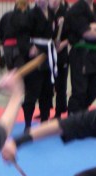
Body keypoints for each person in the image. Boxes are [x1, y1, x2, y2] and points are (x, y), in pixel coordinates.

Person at [64, 0, 96, 114]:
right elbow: (87, 34)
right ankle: (73, 118)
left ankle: (82, 114)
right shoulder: (76, 10)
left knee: (92, 92)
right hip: (81, 54)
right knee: (79, 92)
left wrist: (95, 26)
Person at [21, 0, 56, 129]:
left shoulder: (52, 13)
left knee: (47, 90)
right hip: (34, 55)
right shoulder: (30, 14)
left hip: (48, 53)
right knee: (32, 91)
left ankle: (45, 120)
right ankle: (27, 124)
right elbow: (22, 35)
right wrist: (29, 48)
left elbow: (53, 33)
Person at [49, 0, 69, 119]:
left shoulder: (66, 12)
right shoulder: (45, 12)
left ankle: (59, 111)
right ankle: (45, 109)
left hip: (61, 53)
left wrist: (63, 44)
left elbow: (73, 34)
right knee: (47, 84)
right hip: (47, 53)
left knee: (61, 85)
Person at [0, 0, 29, 71]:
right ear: (25, 6)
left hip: (7, 47)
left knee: (10, 71)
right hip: (19, 48)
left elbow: (0, 31)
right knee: (19, 72)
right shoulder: (26, 17)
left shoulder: (6, 15)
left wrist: (2, 42)